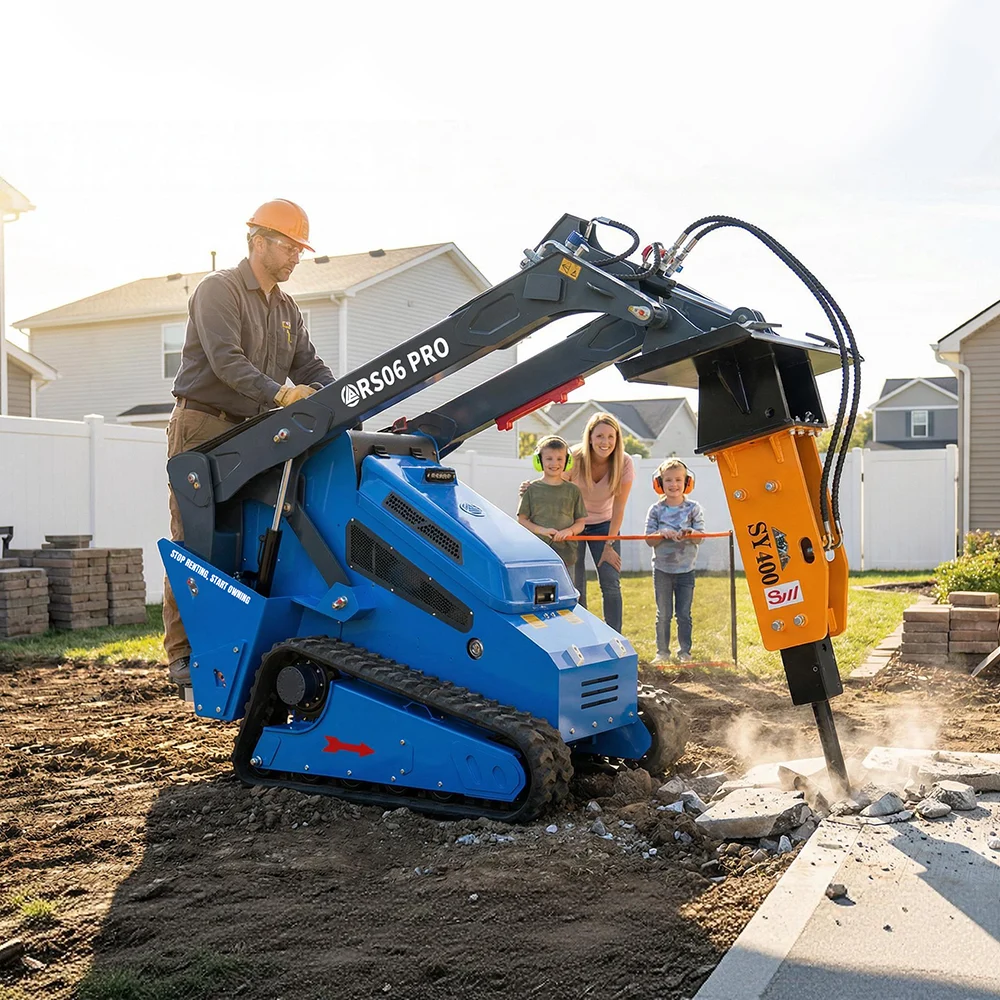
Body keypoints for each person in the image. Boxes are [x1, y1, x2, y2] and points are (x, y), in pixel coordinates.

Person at [163, 199, 335, 689]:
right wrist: (281, 394)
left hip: (253, 431)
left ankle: (233, 642)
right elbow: (225, 361)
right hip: (203, 425)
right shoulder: (219, 290)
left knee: (247, 537)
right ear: (257, 241)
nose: (296, 257)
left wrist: (342, 398)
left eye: (300, 250)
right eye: (289, 247)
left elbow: (310, 367)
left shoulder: (286, 308)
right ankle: (181, 655)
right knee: (194, 538)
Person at [644, 458, 705, 664]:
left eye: (678, 480)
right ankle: (662, 652)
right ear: (659, 483)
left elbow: (701, 537)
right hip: (662, 570)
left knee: (684, 614)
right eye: (668, 480)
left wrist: (691, 532)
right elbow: (648, 540)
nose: (673, 484)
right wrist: (661, 532)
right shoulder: (655, 510)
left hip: (686, 570)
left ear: (687, 482)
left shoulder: (693, 508)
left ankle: (685, 652)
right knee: (663, 614)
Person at [517, 436, 588, 570]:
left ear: (568, 462)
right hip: (537, 554)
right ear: (539, 461)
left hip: (566, 556)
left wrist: (569, 531)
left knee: (566, 591)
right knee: (541, 590)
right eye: (549, 458)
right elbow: (522, 520)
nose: (554, 463)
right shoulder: (531, 489)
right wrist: (542, 530)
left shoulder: (573, 490)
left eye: (560, 459)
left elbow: (581, 522)